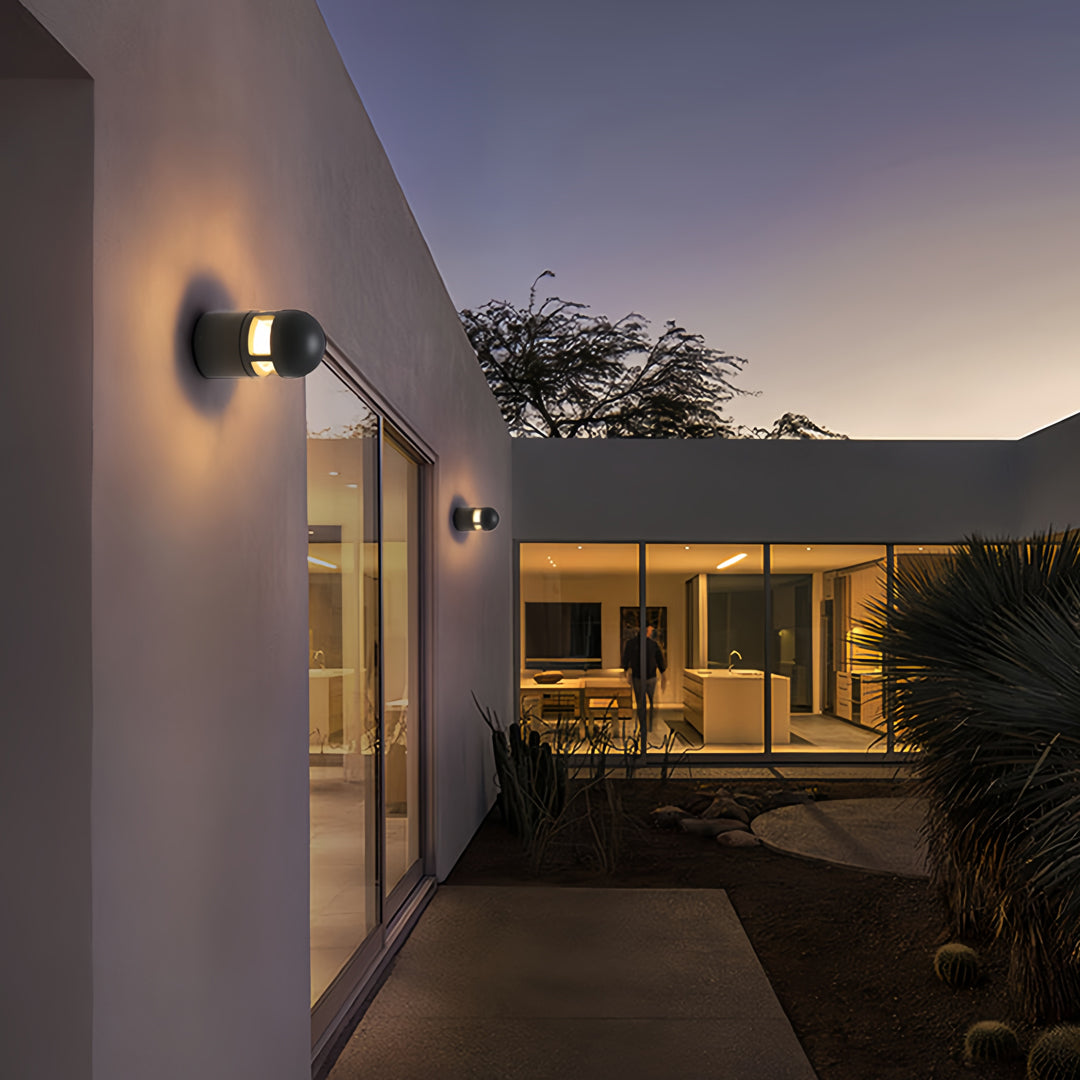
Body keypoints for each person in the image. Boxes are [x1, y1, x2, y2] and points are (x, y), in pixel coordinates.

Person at [621, 620, 667, 729]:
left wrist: (625, 671)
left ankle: (645, 725)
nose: (651, 632)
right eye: (650, 630)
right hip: (646, 677)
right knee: (648, 702)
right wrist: (664, 676)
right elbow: (660, 662)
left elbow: (626, 660)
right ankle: (648, 725)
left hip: (641, 676)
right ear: (646, 630)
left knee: (641, 703)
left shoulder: (634, 644)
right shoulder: (651, 644)